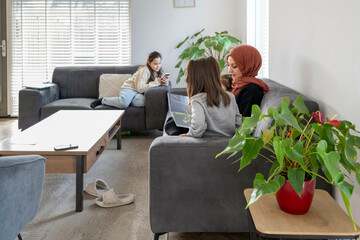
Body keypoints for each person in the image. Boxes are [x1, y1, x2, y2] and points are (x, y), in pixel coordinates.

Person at [180, 56, 242, 137]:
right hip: (229, 143)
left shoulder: (197, 99)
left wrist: (188, 135)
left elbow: (199, 126)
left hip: (207, 145)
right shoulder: (230, 96)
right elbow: (238, 123)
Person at [90, 51, 168, 109]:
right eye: (155, 64)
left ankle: (128, 100)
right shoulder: (145, 70)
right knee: (123, 104)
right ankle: (102, 100)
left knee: (141, 102)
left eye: (159, 63)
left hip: (137, 92)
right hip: (130, 88)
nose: (158, 66)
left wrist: (164, 82)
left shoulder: (156, 72)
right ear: (149, 63)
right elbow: (140, 88)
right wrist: (156, 82)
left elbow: (155, 84)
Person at [227, 45, 269, 117]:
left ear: (248, 65)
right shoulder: (237, 84)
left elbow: (244, 122)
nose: (229, 70)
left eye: (234, 66)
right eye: (229, 65)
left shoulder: (252, 91)